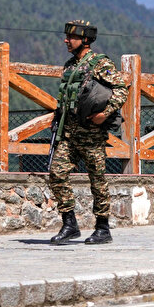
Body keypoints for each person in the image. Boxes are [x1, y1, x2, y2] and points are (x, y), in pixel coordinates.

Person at [48, 20, 128, 245]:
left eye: (71, 37)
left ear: (84, 40)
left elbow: (121, 90)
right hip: (69, 134)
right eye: (67, 37)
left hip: (92, 135)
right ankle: (69, 224)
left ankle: (103, 228)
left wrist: (105, 113)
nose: (66, 40)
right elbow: (66, 98)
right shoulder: (70, 66)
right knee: (56, 173)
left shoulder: (100, 63)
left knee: (97, 181)